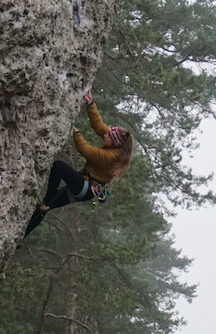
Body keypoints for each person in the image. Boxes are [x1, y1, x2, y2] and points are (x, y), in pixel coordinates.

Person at [24, 93, 134, 236]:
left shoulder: (111, 157)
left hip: (86, 187)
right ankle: (19, 239)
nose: (105, 135)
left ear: (114, 143)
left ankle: (48, 201)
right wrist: (90, 104)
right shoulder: (114, 144)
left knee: (59, 166)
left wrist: (77, 134)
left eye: (108, 136)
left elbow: (86, 151)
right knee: (45, 207)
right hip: (85, 187)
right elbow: (99, 126)